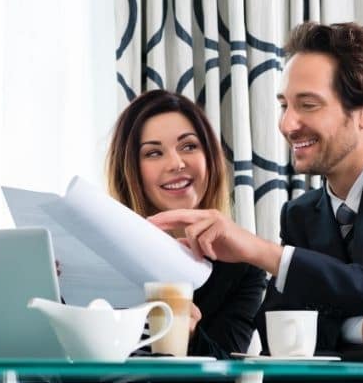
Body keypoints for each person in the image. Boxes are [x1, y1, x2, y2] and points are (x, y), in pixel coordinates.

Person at [148, 22, 363, 382]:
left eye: (308, 105)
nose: (287, 123)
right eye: (284, 105)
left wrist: (261, 252)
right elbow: (279, 334)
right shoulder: (300, 214)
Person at [105, 89, 267, 359]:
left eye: (189, 146)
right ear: (130, 169)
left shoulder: (243, 267)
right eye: (154, 153)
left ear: (210, 158)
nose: (176, 163)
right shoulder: (101, 252)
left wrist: (189, 335)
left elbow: (226, 366)